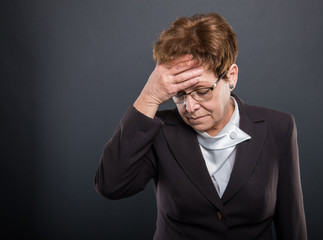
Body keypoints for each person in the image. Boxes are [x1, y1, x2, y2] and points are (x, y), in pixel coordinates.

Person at [95, 13, 307, 240]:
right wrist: (149, 97)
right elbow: (111, 186)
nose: (190, 106)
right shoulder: (160, 130)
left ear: (231, 77)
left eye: (202, 91)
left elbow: (292, 224)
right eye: (179, 94)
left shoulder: (278, 127)